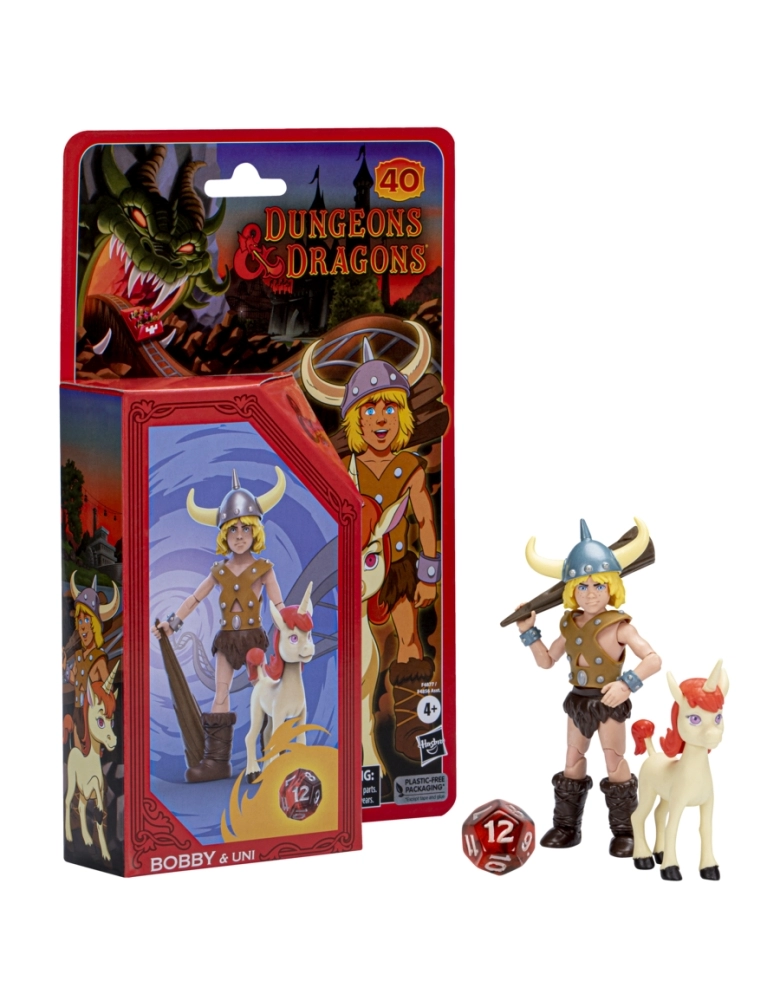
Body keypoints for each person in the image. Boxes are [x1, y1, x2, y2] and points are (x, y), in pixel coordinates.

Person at [302, 322, 440, 762]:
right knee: (353, 650)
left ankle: (413, 726)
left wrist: (429, 573)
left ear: (402, 414)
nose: (380, 417)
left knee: (409, 640)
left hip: (398, 568)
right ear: (355, 420)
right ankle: (343, 725)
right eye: (369, 409)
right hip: (355, 570)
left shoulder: (410, 466)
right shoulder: (343, 466)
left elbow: (425, 520)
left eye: (389, 407)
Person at [517, 518, 661, 856]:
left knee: (614, 762)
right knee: (573, 760)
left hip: (609, 701)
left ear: (612, 587)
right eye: (582, 586)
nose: (591, 593)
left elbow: (653, 659)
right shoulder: (569, 625)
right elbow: (546, 661)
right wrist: (528, 633)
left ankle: (625, 831)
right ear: (571, 591)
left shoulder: (620, 626)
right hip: (578, 701)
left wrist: (626, 684)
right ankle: (566, 826)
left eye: (598, 585)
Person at [152, 468, 285, 781]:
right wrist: (172, 624)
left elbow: (279, 606)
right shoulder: (218, 571)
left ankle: (269, 756)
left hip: (253, 640)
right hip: (226, 640)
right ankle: (216, 762)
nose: (239, 535)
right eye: (232, 529)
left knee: (264, 693)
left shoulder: (264, 569)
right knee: (220, 694)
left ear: (255, 531)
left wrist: (292, 627)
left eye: (245, 528)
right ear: (224, 535)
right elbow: (194, 599)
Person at [67, 574, 120, 750]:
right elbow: (75, 680)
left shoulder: (99, 658)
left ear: (95, 625)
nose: (83, 626)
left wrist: (98, 693)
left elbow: (108, 690)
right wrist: (67, 672)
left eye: (87, 620)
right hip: (77, 712)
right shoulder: (79, 656)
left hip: (93, 717)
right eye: (80, 620)